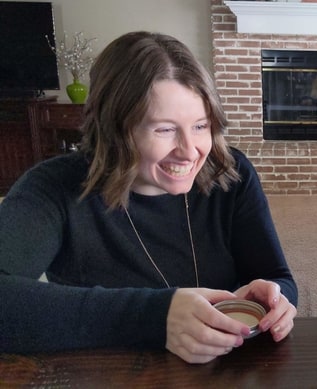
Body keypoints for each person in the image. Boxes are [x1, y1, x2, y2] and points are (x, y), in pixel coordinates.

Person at [0, 31, 298, 363]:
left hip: (230, 369)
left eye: (201, 126)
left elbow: (278, 278)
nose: (190, 152)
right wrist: (155, 316)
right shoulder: (54, 188)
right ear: (114, 130)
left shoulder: (230, 172)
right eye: (164, 129)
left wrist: (277, 300)